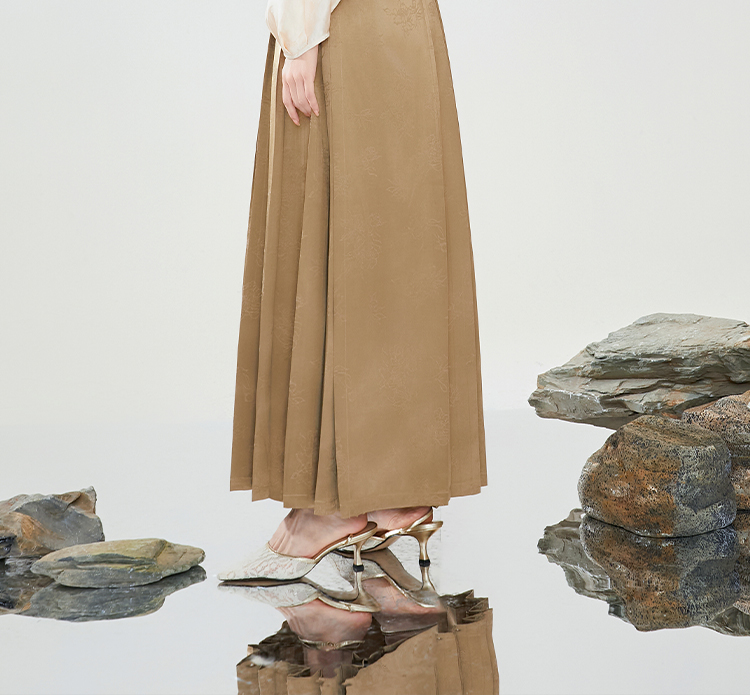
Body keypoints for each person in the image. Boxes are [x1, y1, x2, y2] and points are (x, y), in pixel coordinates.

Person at [220, 0, 487, 588]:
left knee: (340, 251)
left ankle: (329, 510)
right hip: (405, 32)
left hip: (345, 34)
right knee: (395, 252)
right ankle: (396, 494)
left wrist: (301, 38)